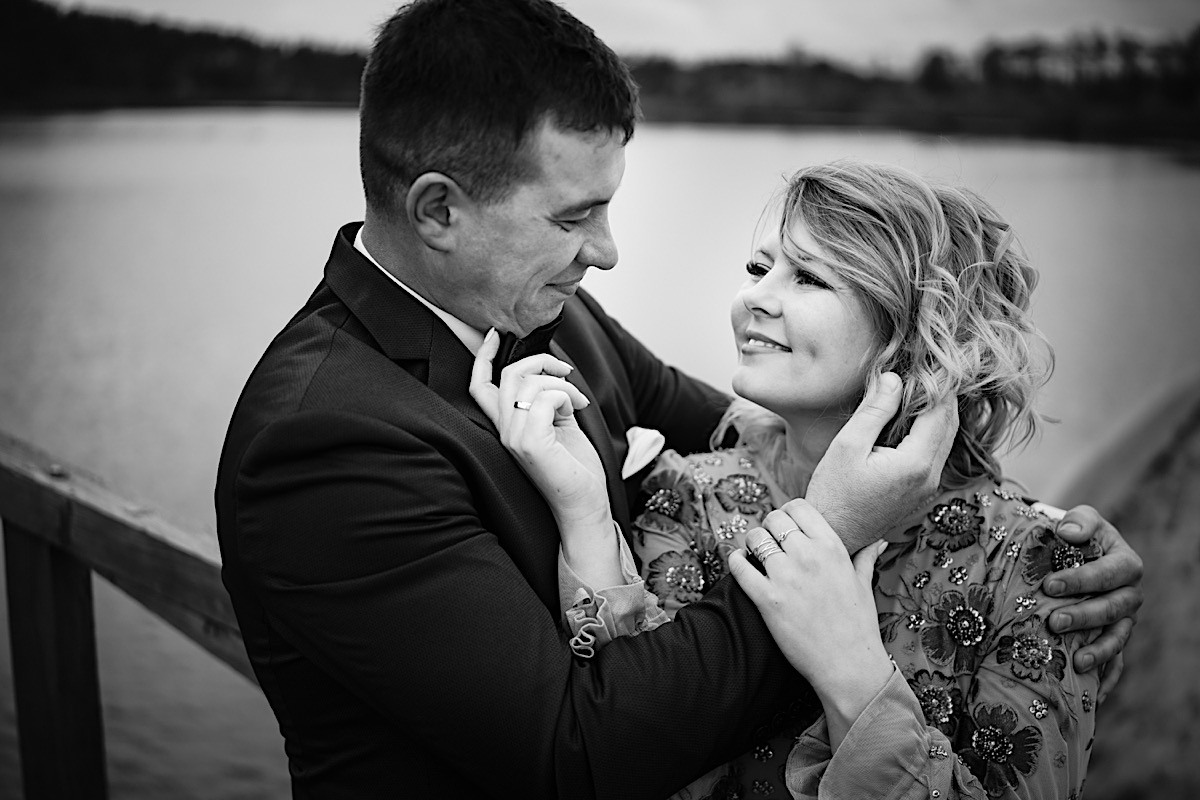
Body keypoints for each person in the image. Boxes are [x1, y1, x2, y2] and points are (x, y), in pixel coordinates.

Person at [214, 0, 1142, 797]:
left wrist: (1023, 529)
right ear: (438, 211)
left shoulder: (550, 307)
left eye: (606, 206)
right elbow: (574, 755)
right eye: (574, 216)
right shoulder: (324, 439)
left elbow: (760, 428)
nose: (607, 251)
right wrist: (826, 537)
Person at [473, 160, 1120, 798]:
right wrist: (586, 515)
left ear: (914, 329)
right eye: (759, 268)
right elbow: (624, 744)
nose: (754, 297)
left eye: (809, 277)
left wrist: (852, 674)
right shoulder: (692, 496)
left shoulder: (1034, 561)